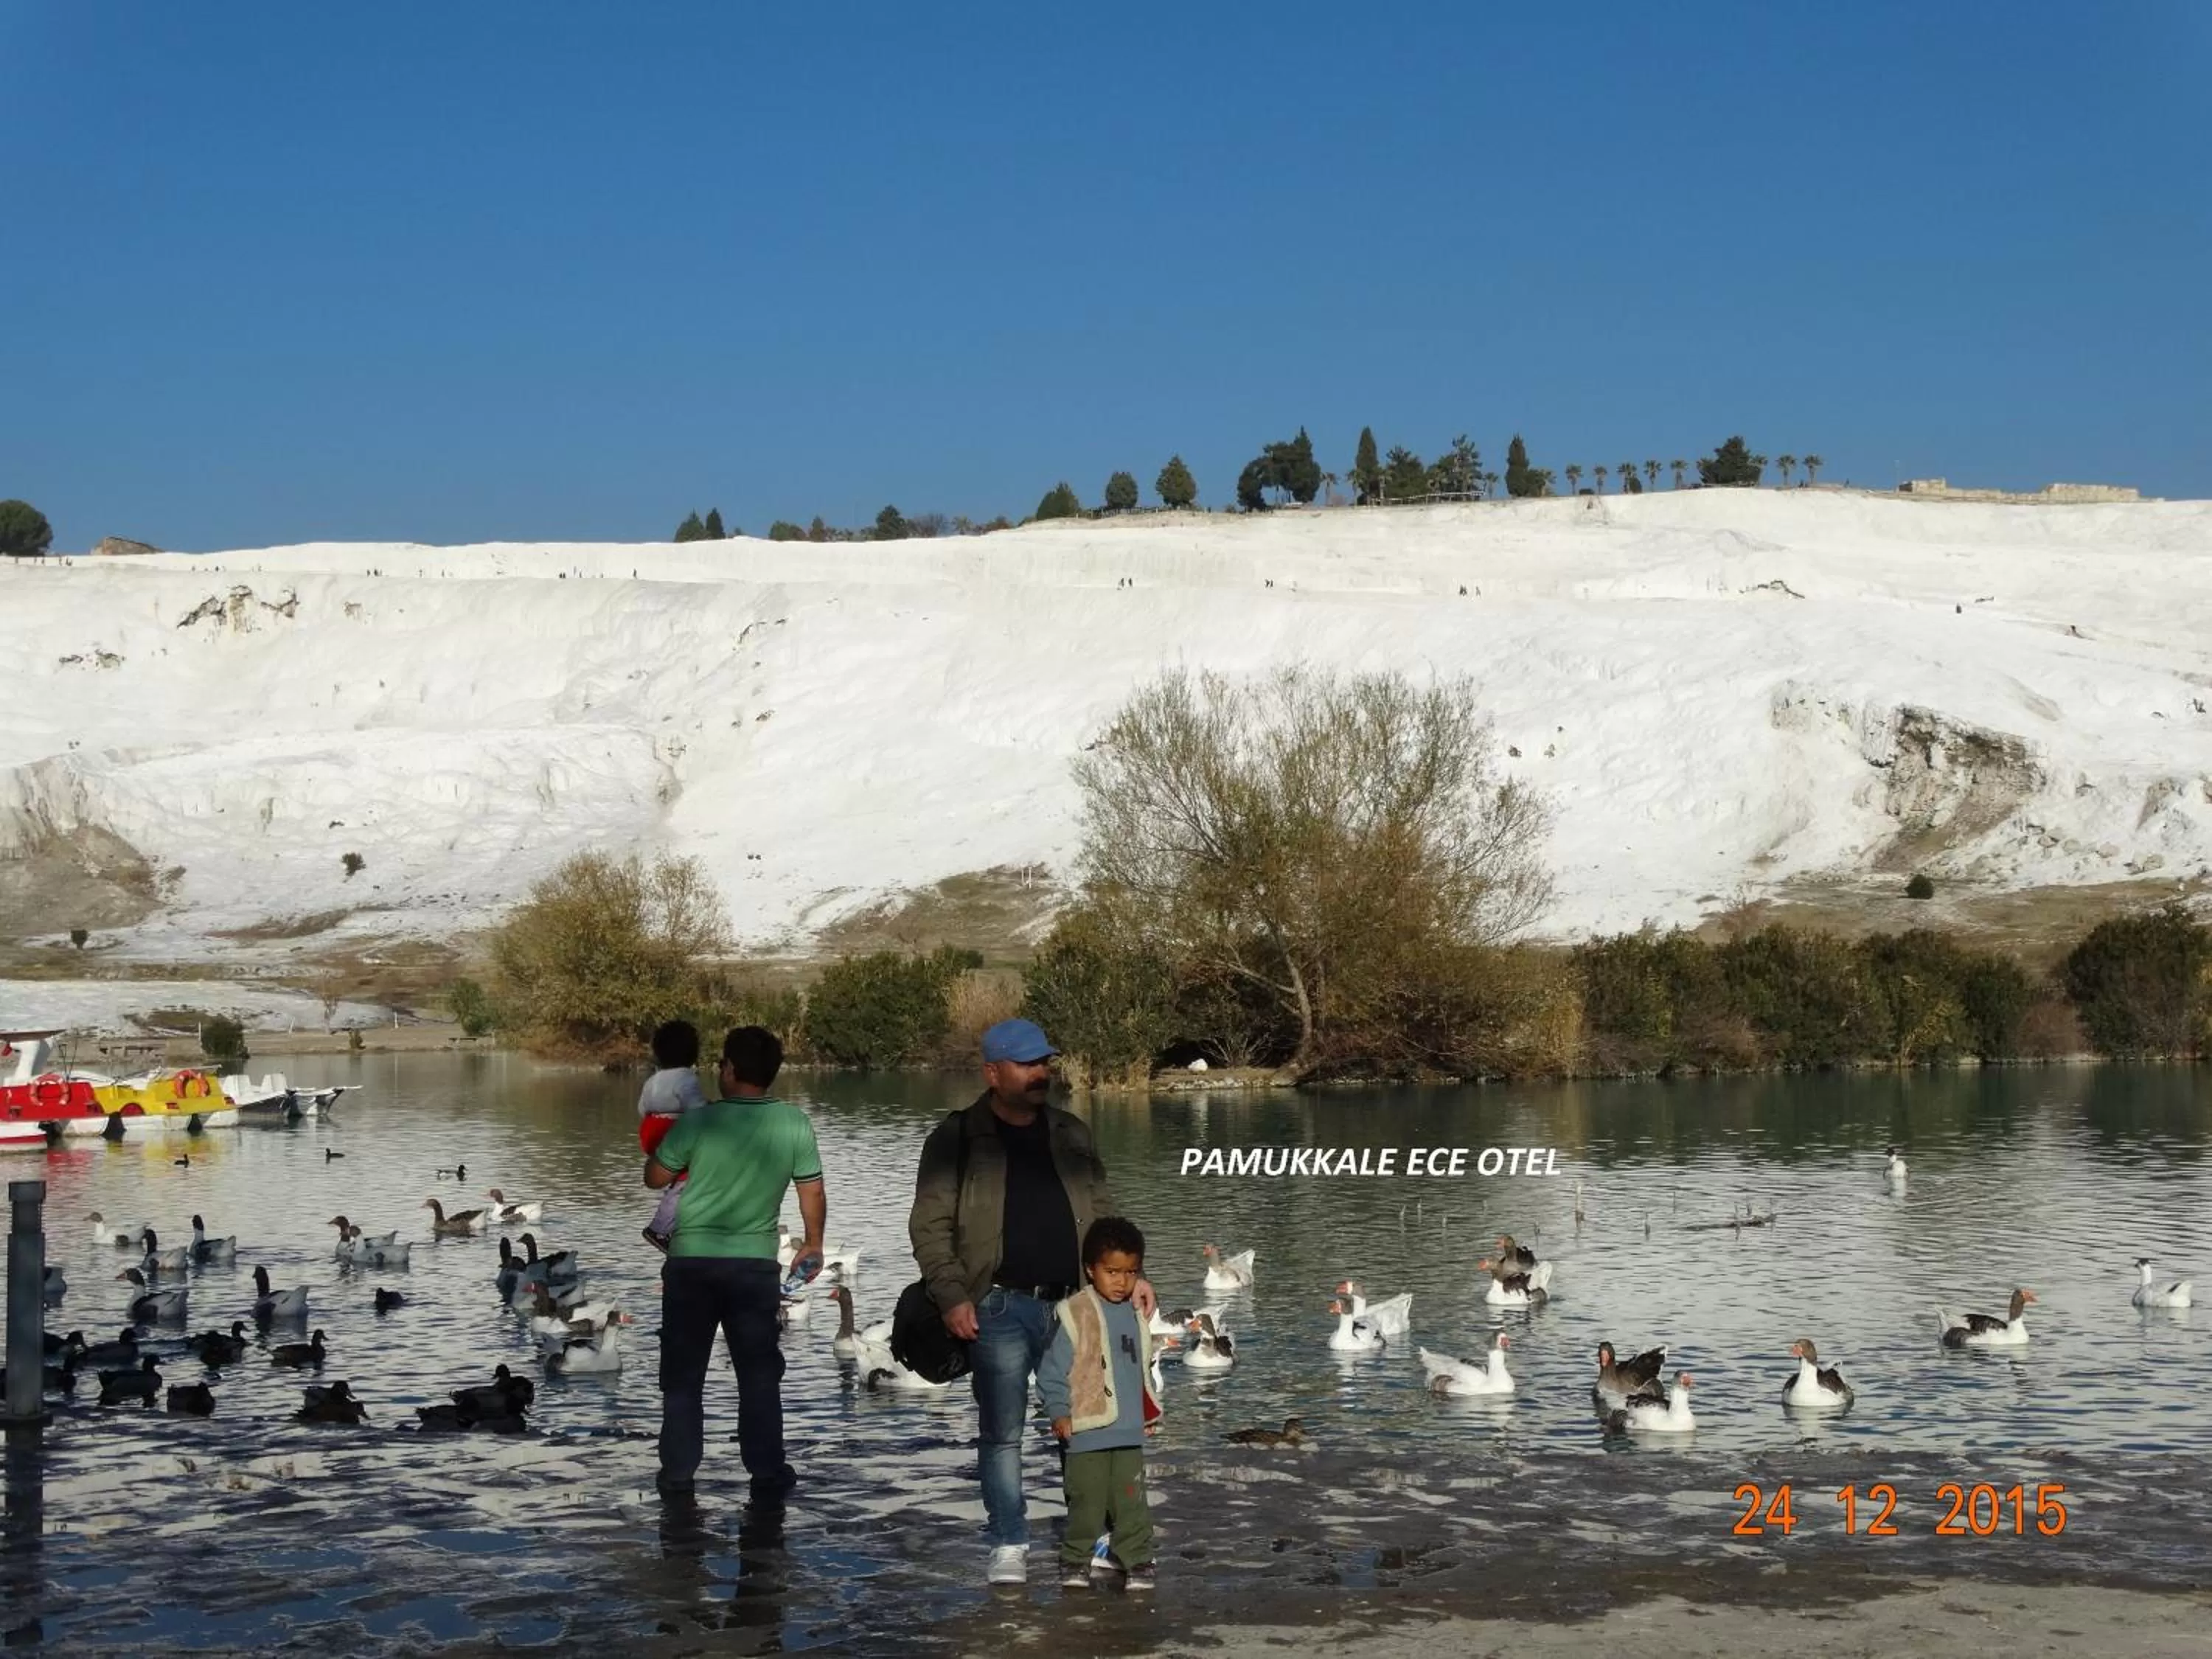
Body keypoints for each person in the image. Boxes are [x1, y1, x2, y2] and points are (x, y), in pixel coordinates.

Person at [908, 1017, 1153, 1585]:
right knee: (1003, 1433)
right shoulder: (957, 1137)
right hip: (997, 1307)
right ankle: (1009, 1542)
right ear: (993, 1072)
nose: (1041, 1072)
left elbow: (1105, 1218)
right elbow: (929, 1225)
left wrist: (1134, 1277)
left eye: (1045, 1062)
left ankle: (1091, 1537)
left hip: (1078, 1306)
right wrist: (950, 1296)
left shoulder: (1072, 1133)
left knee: (1092, 1424)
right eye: (1026, 1063)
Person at [646, 1025, 824, 1500]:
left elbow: (654, 1176)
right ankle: (766, 1471)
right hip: (753, 1267)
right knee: (759, 1375)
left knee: (683, 1376)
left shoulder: (699, 1123)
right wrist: (813, 1243)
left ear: (727, 1069)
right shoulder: (794, 1123)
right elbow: (812, 1190)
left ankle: (678, 1475)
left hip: (691, 1265)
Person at [1037, 1217, 1159, 1592]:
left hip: (1128, 1431)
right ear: (1090, 1269)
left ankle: (1136, 1560)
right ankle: (1075, 1559)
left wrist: (1150, 1411)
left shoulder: (1134, 1314)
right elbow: (1051, 1371)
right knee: (1086, 1503)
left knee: (1132, 1502)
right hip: (1086, 1430)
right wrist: (1059, 1411)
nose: (1122, 1281)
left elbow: (1140, 1369)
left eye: (1131, 1272)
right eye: (1112, 1271)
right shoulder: (1074, 1312)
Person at [639, 1019, 710, 1254]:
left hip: (650, 1129)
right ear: (693, 1054)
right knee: (688, 1178)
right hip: (672, 1130)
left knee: (679, 1179)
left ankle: (674, 1224)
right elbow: (696, 1108)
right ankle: (659, 1228)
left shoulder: (652, 1080)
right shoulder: (686, 1078)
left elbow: (642, 1108)